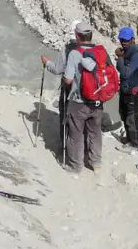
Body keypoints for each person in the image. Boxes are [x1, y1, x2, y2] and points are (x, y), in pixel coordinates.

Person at [42, 20, 109, 174]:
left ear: (77, 36)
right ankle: (95, 163)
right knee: (95, 131)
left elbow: (64, 76)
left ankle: (76, 165)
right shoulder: (101, 51)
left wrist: (47, 63)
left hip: (78, 100)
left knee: (75, 132)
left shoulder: (71, 51)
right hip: (98, 99)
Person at [115, 27, 138, 151]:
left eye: (126, 40)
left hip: (133, 91)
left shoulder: (137, 55)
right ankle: (130, 138)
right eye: (122, 40)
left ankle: (134, 143)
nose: (123, 42)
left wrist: (120, 58)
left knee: (132, 117)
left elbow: (125, 74)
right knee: (123, 113)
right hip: (125, 89)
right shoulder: (127, 52)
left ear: (132, 39)